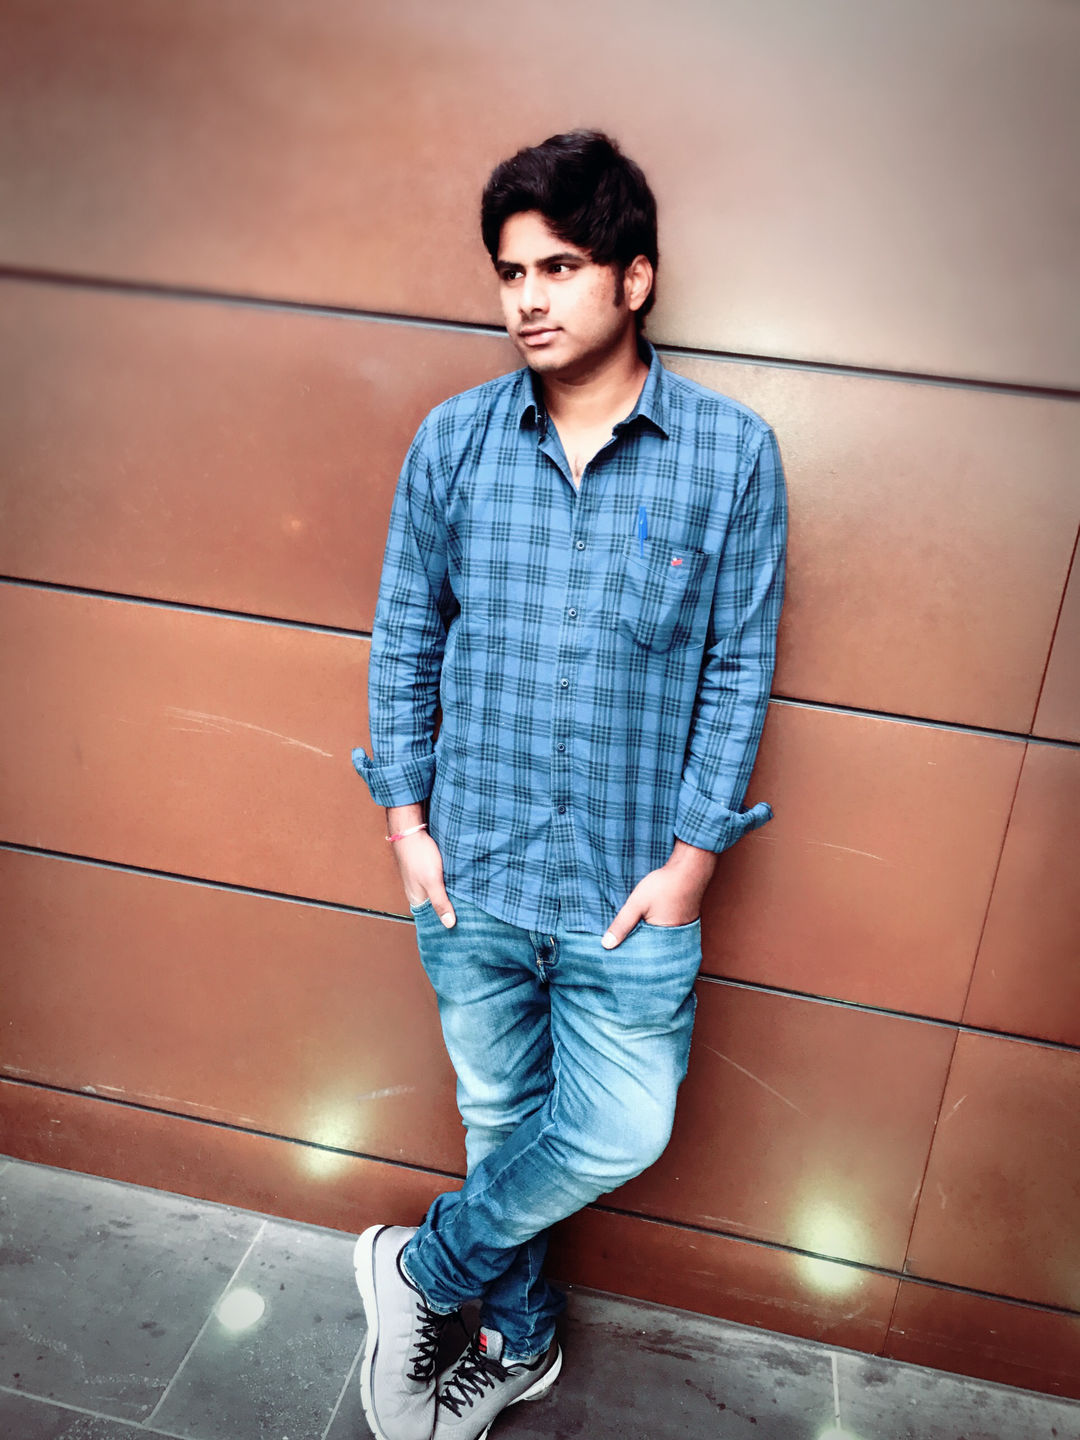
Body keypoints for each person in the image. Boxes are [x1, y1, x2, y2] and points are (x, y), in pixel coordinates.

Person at [350, 129, 787, 1440]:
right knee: (502, 1127)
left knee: (617, 1128)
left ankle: (422, 1269)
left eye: (561, 266)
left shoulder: (730, 456)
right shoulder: (452, 443)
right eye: (510, 272)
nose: (528, 298)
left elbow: (738, 670)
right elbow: (403, 639)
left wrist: (691, 865)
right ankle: (520, 1341)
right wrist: (407, 827)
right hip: (472, 873)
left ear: (634, 277)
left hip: (627, 892)